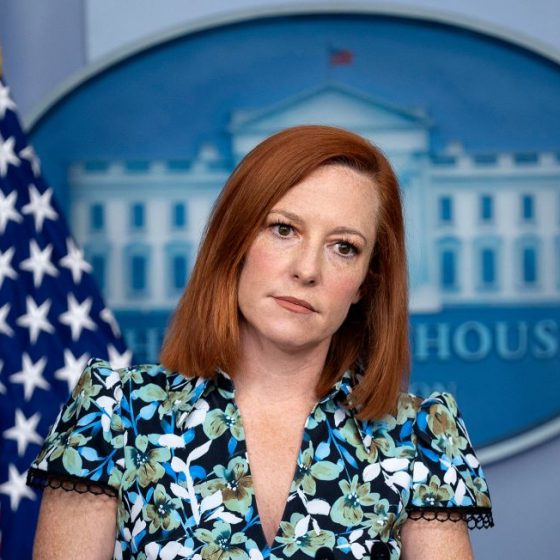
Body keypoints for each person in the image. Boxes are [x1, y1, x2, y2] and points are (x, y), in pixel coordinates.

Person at [27, 125, 493, 560]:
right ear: (236, 242)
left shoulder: (420, 437)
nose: (307, 270)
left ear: (365, 284)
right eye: (284, 229)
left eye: (344, 247)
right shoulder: (115, 412)